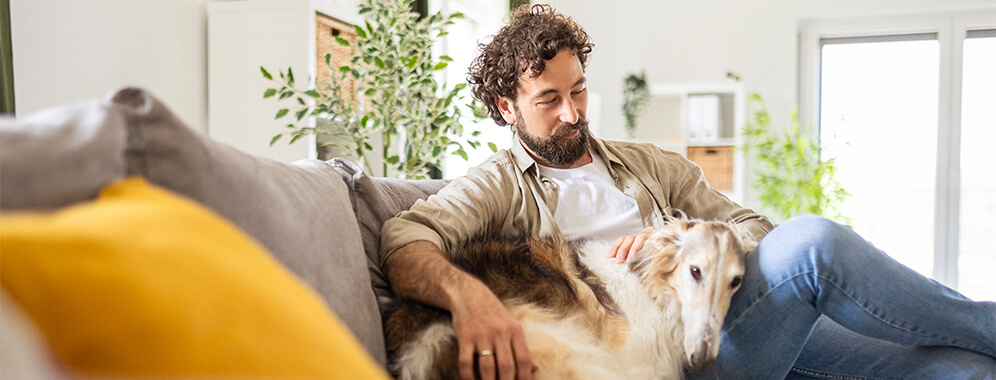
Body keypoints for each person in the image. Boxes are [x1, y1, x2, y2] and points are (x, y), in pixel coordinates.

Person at [380, 4, 996, 380]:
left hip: (732, 312)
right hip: (670, 349)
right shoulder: (497, 184)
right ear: (505, 107)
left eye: (579, 90)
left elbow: (754, 227)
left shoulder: (649, 164)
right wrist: (469, 298)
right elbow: (405, 238)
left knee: (967, 370)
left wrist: (685, 238)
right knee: (813, 242)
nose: (572, 114)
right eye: (549, 100)